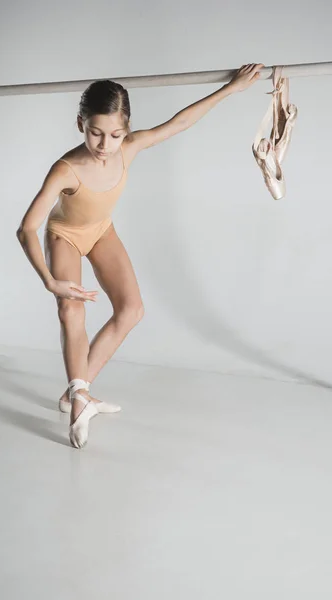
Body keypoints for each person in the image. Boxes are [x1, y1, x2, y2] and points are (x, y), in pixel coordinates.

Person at [16, 63, 264, 449]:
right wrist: (49, 280)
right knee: (71, 309)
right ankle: (81, 398)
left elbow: (179, 123)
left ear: (127, 129)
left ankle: (74, 394)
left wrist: (231, 90)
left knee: (132, 309)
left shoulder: (128, 149)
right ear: (79, 123)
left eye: (115, 134)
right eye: (95, 133)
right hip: (65, 236)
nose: (104, 144)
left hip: (101, 232)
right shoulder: (66, 169)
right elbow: (27, 227)